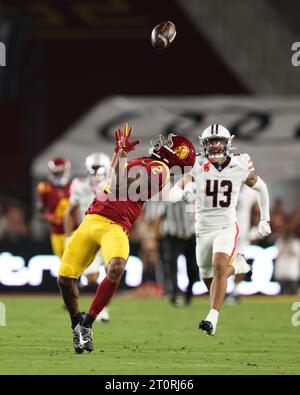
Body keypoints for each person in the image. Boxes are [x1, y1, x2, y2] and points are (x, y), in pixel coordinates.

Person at [57, 124, 196, 353]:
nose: (164, 145)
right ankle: (77, 327)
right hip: (91, 219)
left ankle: (88, 323)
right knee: (64, 279)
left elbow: (122, 186)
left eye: (171, 145)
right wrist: (117, 154)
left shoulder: (159, 169)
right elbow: (108, 183)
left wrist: (122, 155)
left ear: (177, 155)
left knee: (116, 266)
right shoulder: (150, 166)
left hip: (115, 226)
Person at [174, 124, 271, 335]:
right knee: (209, 280)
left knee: (219, 266)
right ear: (204, 144)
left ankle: (212, 318)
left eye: (218, 141)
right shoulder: (196, 164)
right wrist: (176, 192)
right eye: (210, 142)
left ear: (228, 144)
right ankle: (238, 266)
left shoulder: (240, 164)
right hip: (203, 229)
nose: (215, 145)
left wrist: (265, 219)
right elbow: (180, 186)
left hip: (226, 225)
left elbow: (261, 188)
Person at [64, 152, 111, 322]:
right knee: (93, 277)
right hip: (88, 233)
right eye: (94, 168)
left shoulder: (113, 184)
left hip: (108, 232)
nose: (96, 171)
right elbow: (69, 212)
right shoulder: (79, 185)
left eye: (99, 168)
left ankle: (104, 310)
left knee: (111, 273)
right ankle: (84, 281)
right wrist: (69, 236)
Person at [36, 158, 72, 259]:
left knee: (75, 260)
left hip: (74, 230)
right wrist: (51, 217)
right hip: (56, 232)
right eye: (56, 173)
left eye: (61, 172)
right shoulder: (45, 188)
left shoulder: (74, 186)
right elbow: (40, 213)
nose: (59, 175)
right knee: (63, 262)